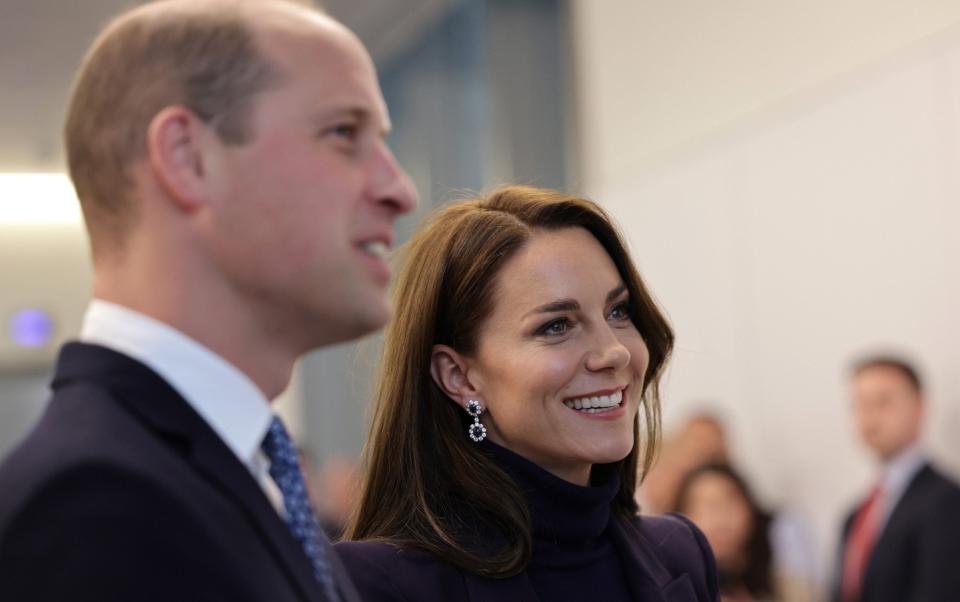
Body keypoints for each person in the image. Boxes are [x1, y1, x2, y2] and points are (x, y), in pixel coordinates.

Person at [0, 1, 416, 600]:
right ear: (187, 158)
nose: (399, 189)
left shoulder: (239, 472)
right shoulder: (96, 507)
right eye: (344, 133)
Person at [335, 186, 719, 601]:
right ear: (460, 378)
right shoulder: (373, 584)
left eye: (618, 311)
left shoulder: (681, 554)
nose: (614, 351)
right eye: (556, 326)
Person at [832, 355, 960, 602]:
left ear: (919, 407)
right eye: (859, 404)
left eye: (883, 402)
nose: (869, 417)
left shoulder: (947, 502)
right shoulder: (855, 515)